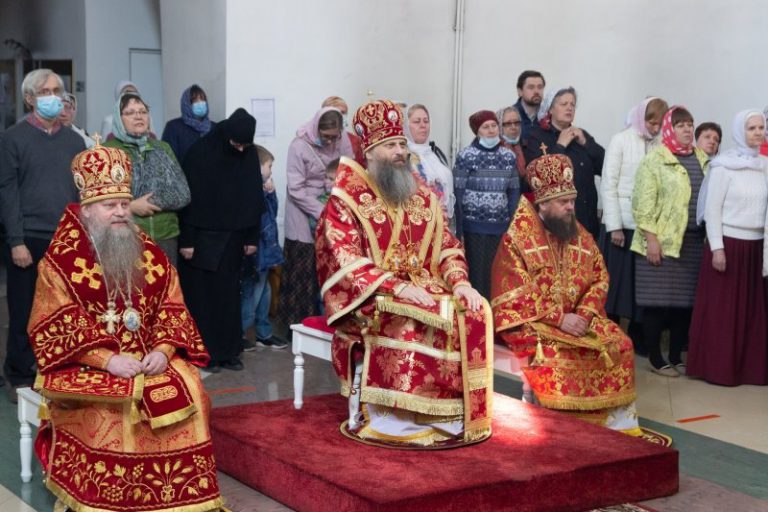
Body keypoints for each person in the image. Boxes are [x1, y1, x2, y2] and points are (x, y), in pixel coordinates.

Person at [28, 142, 224, 511]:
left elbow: (172, 305)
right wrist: (107, 361)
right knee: (114, 411)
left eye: (124, 203)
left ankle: (181, 497)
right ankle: (115, 498)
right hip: (87, 363)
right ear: (87, 208)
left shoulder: (149, 250)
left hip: (148, 357)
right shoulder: (59, 262)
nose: (120, 212)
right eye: (109, 205)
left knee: (192, 389)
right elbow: (53, 325)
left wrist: (164, 350)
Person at [316, 99, 492, 448]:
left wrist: (460, 283)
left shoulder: (422, 196)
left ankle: (451, 415)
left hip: (426, 287)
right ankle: (396, 418)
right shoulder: (346, 199)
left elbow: (447, 247)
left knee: (471, 311)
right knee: (412, 320)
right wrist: (395, 288)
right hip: (371, 297)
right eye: (391, 145)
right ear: (370, 152)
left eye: (402, 144)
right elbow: (341, 256)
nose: (400, 152)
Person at [491, 153, 641, 435]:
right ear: (543, 204)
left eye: (572, 200)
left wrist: (583, 315)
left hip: (581, 319)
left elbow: (600, 277)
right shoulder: (518, 239)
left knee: (620, 343)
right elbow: (513, 292)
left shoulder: (581, 235)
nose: (571, 207)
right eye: (563, 202)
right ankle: (556, 427)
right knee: (556, 352)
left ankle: (613, 424)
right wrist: (560, 319)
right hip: (535, 321)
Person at [0, 69, 84, 402]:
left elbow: (80, 193)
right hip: (28, 239)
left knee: (62, 309)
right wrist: (16, 240)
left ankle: (55, 367)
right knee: (24, 310)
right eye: (45, 91)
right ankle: (19, 374)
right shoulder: (13, 138)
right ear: (29, 99)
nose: (53, 97)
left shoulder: (74, 141)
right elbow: (7, 192)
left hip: (65, 238)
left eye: (57, 91)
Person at [179, 108, 264, 373]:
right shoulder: (200, 153)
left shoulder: (248, 153)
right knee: (204, 299)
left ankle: (228, 352)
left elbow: (253, 197)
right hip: (202, 240)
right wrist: (187, 240)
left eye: (244, 145)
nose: (240, 150)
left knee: (229, 298)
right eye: (236, 144)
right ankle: (206, 354)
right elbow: (189, 201)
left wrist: (252, 237)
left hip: (234, 239)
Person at [688, 110, 768, 386]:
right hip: (728, 246)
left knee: (752, 313)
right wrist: (717, 248)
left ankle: (749, 370)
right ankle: (719, 369)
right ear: (739, 132)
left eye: (761, 127)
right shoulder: (723, 166)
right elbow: (712, 209)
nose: (758, 132)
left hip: (756, 248)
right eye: (751, 128)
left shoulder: (764, 165)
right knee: (724, 312)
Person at [631, 106, 708, 377]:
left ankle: (676, 356)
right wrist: (651, 239)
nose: (687, 129)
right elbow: (642, 204)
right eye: (680, 125)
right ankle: (655, 357)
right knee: (656, 303)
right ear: (669, 129)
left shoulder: (703, 158)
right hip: (659, 243)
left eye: (690, 124)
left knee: (684, 305)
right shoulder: (655, 159)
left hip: (692, 244)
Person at [599, 97, 668, 354]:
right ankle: (610, 336)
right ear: (641, 118)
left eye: (659, 124)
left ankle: (638, 337)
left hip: (647, 228)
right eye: (651, 123)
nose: (655, 128)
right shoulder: (621, 140)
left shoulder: (661, 144)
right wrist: (614, 225)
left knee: (641, 285)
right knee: (616, 286)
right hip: (622, 226)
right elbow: (609, 183)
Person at [277, 107, 353, 329]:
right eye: (326, 136)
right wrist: (322, 210)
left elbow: (349, 172)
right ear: (316, 129)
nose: (330, 142)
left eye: (334, 137)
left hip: (333, 209)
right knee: (303, 274)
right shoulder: (299, 146)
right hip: (303, 213)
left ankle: (325, 325)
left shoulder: (343, 141)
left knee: (328, 273)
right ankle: (297, 327)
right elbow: (296, 189)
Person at [105, 93, 191, 265]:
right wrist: (131, 207)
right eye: (130, 112)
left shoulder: (162, 149)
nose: (138, 116)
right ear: (119, 119)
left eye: (143, 111)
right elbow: (98, 201)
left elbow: (183, 194)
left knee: (164, 283)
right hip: (124, 237)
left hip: (165, 237)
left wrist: (146, 203)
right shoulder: (107, 152)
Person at [453, 109, 520, 299]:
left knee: (496, 275)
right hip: (474, 228)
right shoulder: (466, 156)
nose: (491, 130)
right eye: (485, 127)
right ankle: (478, 312)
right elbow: (457, 192)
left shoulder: (508, 157)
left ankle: (494, 313)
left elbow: (513, 192)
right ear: (477, 131)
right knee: (477, 275)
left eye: (494, 126)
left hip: (500, 228)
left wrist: (511, 223)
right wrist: (459, 230)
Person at [524, 86, 605, 240]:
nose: (569, 108)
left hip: (587, 218)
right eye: (564, 104)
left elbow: (605, 168)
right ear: (550, 109)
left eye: (572, 104)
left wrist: (586, 143)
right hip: (558, 222)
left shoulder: (581, 135)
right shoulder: (537, 137)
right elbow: (537, 179)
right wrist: (560, 146)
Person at [241, 145, 288, 351]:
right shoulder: (248, 190)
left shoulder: (263, 189)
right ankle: (241, 334)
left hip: (267, 252)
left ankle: (264, 333)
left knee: (265, 292)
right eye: (269, 166)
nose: (270, 170)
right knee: (252, 294)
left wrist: (271, 194)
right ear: (257, 167)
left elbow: (273, 212)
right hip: (256, 252)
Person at [404, 103, 455, 226]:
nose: (423, 125)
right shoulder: (403, 156)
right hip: (418, 222)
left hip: (443, 222)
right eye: (417, 122)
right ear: (406, 126)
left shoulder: (436, 153)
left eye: (426, 121)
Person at [162, 84, 216, 163]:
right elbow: (167, 159)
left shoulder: (215, 128)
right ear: (186, 104)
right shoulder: (174, 127)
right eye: (195, 101)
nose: (200, 104)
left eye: (202, 100)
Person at [322, 95, 365, 166]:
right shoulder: (314, 141)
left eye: (343, 112)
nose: (340, 115)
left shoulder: (355, 141)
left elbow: (360, 168)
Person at [514, 70, 546, 145]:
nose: (536, 91)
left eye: (540, 87)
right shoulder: (510, 117)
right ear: (520, 91)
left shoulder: (548, 115)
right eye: (531, 87)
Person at [497, 105, 527, 177]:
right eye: (508, 123)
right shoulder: (495, 149)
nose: (513, 127)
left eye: (516, 123)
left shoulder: (526, 145)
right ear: (499, 125)